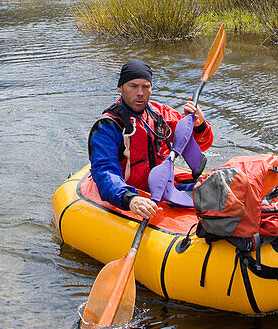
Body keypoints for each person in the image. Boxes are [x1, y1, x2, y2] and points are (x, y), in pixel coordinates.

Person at [88, 58, 213, 219]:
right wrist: (130, 199)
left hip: (163, 186)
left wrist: (199, 125)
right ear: (120, 88)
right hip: (130, 191)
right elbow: (105, 170)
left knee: (219, 186)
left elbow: (200, 145)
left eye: (145, 87)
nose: (140, 93)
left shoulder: (161, 114)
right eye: (133, 86)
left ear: (151, 89)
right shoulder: (108, 126)